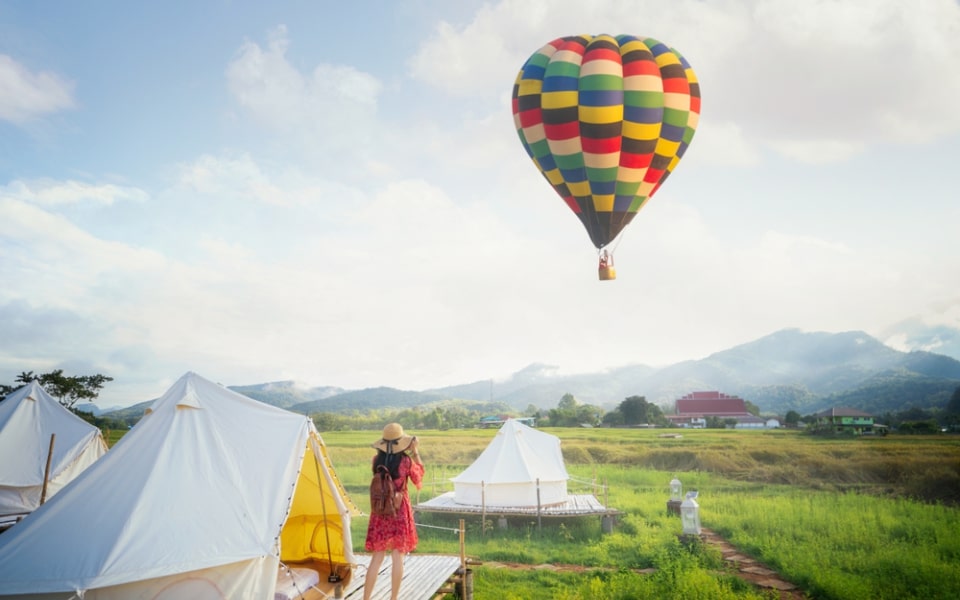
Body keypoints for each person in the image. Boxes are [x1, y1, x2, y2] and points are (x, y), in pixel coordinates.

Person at [363, 423, 424, 600]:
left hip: (380, 510)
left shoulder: (376, 461)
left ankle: (366, 598)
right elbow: (418, 477)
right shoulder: (405, 461)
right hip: (399, 510)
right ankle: (393, 598)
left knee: (377, 558)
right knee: (398, 557)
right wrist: (416, 452)